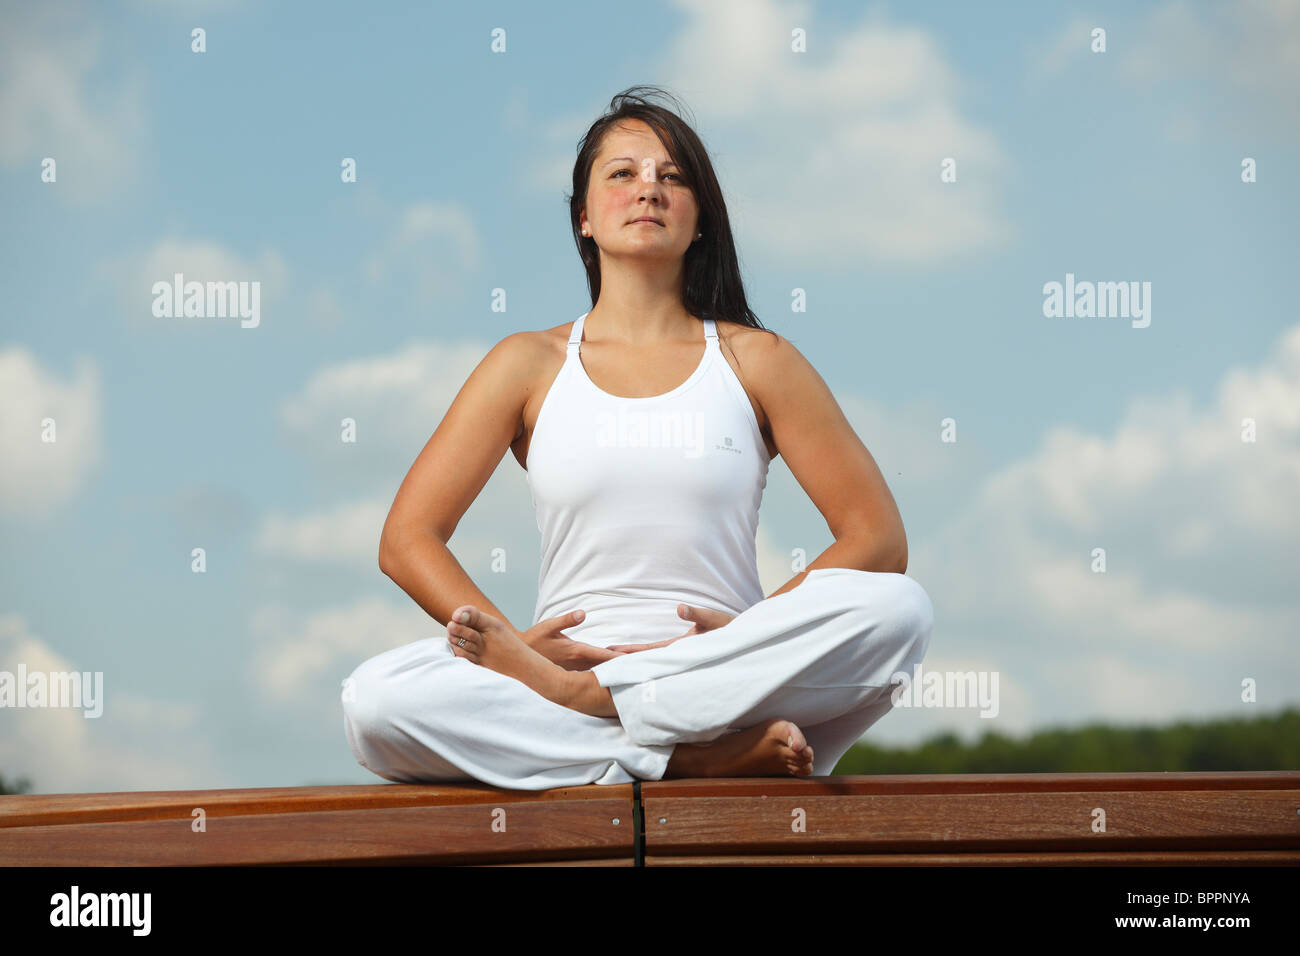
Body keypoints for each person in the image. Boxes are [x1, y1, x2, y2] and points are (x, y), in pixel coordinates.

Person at [342, 87, 933, 790]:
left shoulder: (758, 359)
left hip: (722, 679)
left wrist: (750, 634)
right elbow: (407, 538)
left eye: (671, 177)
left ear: (699, 220)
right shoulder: (526, 364)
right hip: (558, 672)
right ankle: (677, 757)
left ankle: (603, 713)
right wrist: (513, 647)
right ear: (584, 218)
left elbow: (877, 537)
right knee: (374, 701)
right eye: (622, 173)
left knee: (900, 610)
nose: (648, 189)